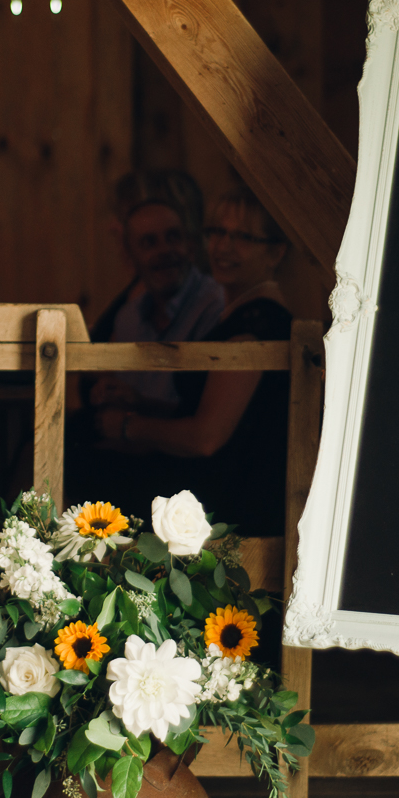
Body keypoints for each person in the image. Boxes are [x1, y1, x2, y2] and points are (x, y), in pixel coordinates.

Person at [74, 185, 294, 536]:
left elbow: (206, 438)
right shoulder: (237, 313)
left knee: (85, 467)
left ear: (275, 253)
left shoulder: (256, 324)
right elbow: (214, 411)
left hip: (229, 504)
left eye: (242, 237)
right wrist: (141, 403)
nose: (223, 247)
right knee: (79, 444)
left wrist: (127, 426)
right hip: (210, 482)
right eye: (218, 232)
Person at [84, 171, 226, 417]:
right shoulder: (133, 309)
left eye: (123, 214)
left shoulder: (210, 301)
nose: (113, 227)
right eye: (148, 241)